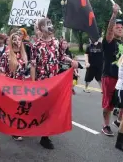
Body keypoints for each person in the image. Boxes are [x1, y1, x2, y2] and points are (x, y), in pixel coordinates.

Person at [30, 18, 78, 149]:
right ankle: (36, 126)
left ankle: (45, 136)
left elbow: (61, 57)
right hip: (42, 82)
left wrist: (71, 61)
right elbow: (33, 65)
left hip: (54, 82)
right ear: (40, 29)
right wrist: (33, 84)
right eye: (46, 25)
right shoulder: (36, 45)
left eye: (50, 24)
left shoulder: (56, 43)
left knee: (50, 108)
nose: (50, 26)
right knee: (41, 108)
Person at [101, 4, 123, 136]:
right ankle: (105, 125)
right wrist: (114, 15)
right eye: (117, 27)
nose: (120, 28)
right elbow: (109, 32)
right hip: (110, 76)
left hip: (122, 78)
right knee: (109, 103)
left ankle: (118, 121)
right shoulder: (109, 41)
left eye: (121, 27)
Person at [0, 32, 27, 141]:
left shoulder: (23, 54)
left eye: (19, 40)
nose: (17, 42)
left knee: (20, 108)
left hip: (22, 85)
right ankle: (14, 130)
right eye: (14, 39)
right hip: (11, 86)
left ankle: (18, 128)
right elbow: (2, 72)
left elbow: (26, 71)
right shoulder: (6, 54)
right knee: (13, 109)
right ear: (11, 41)